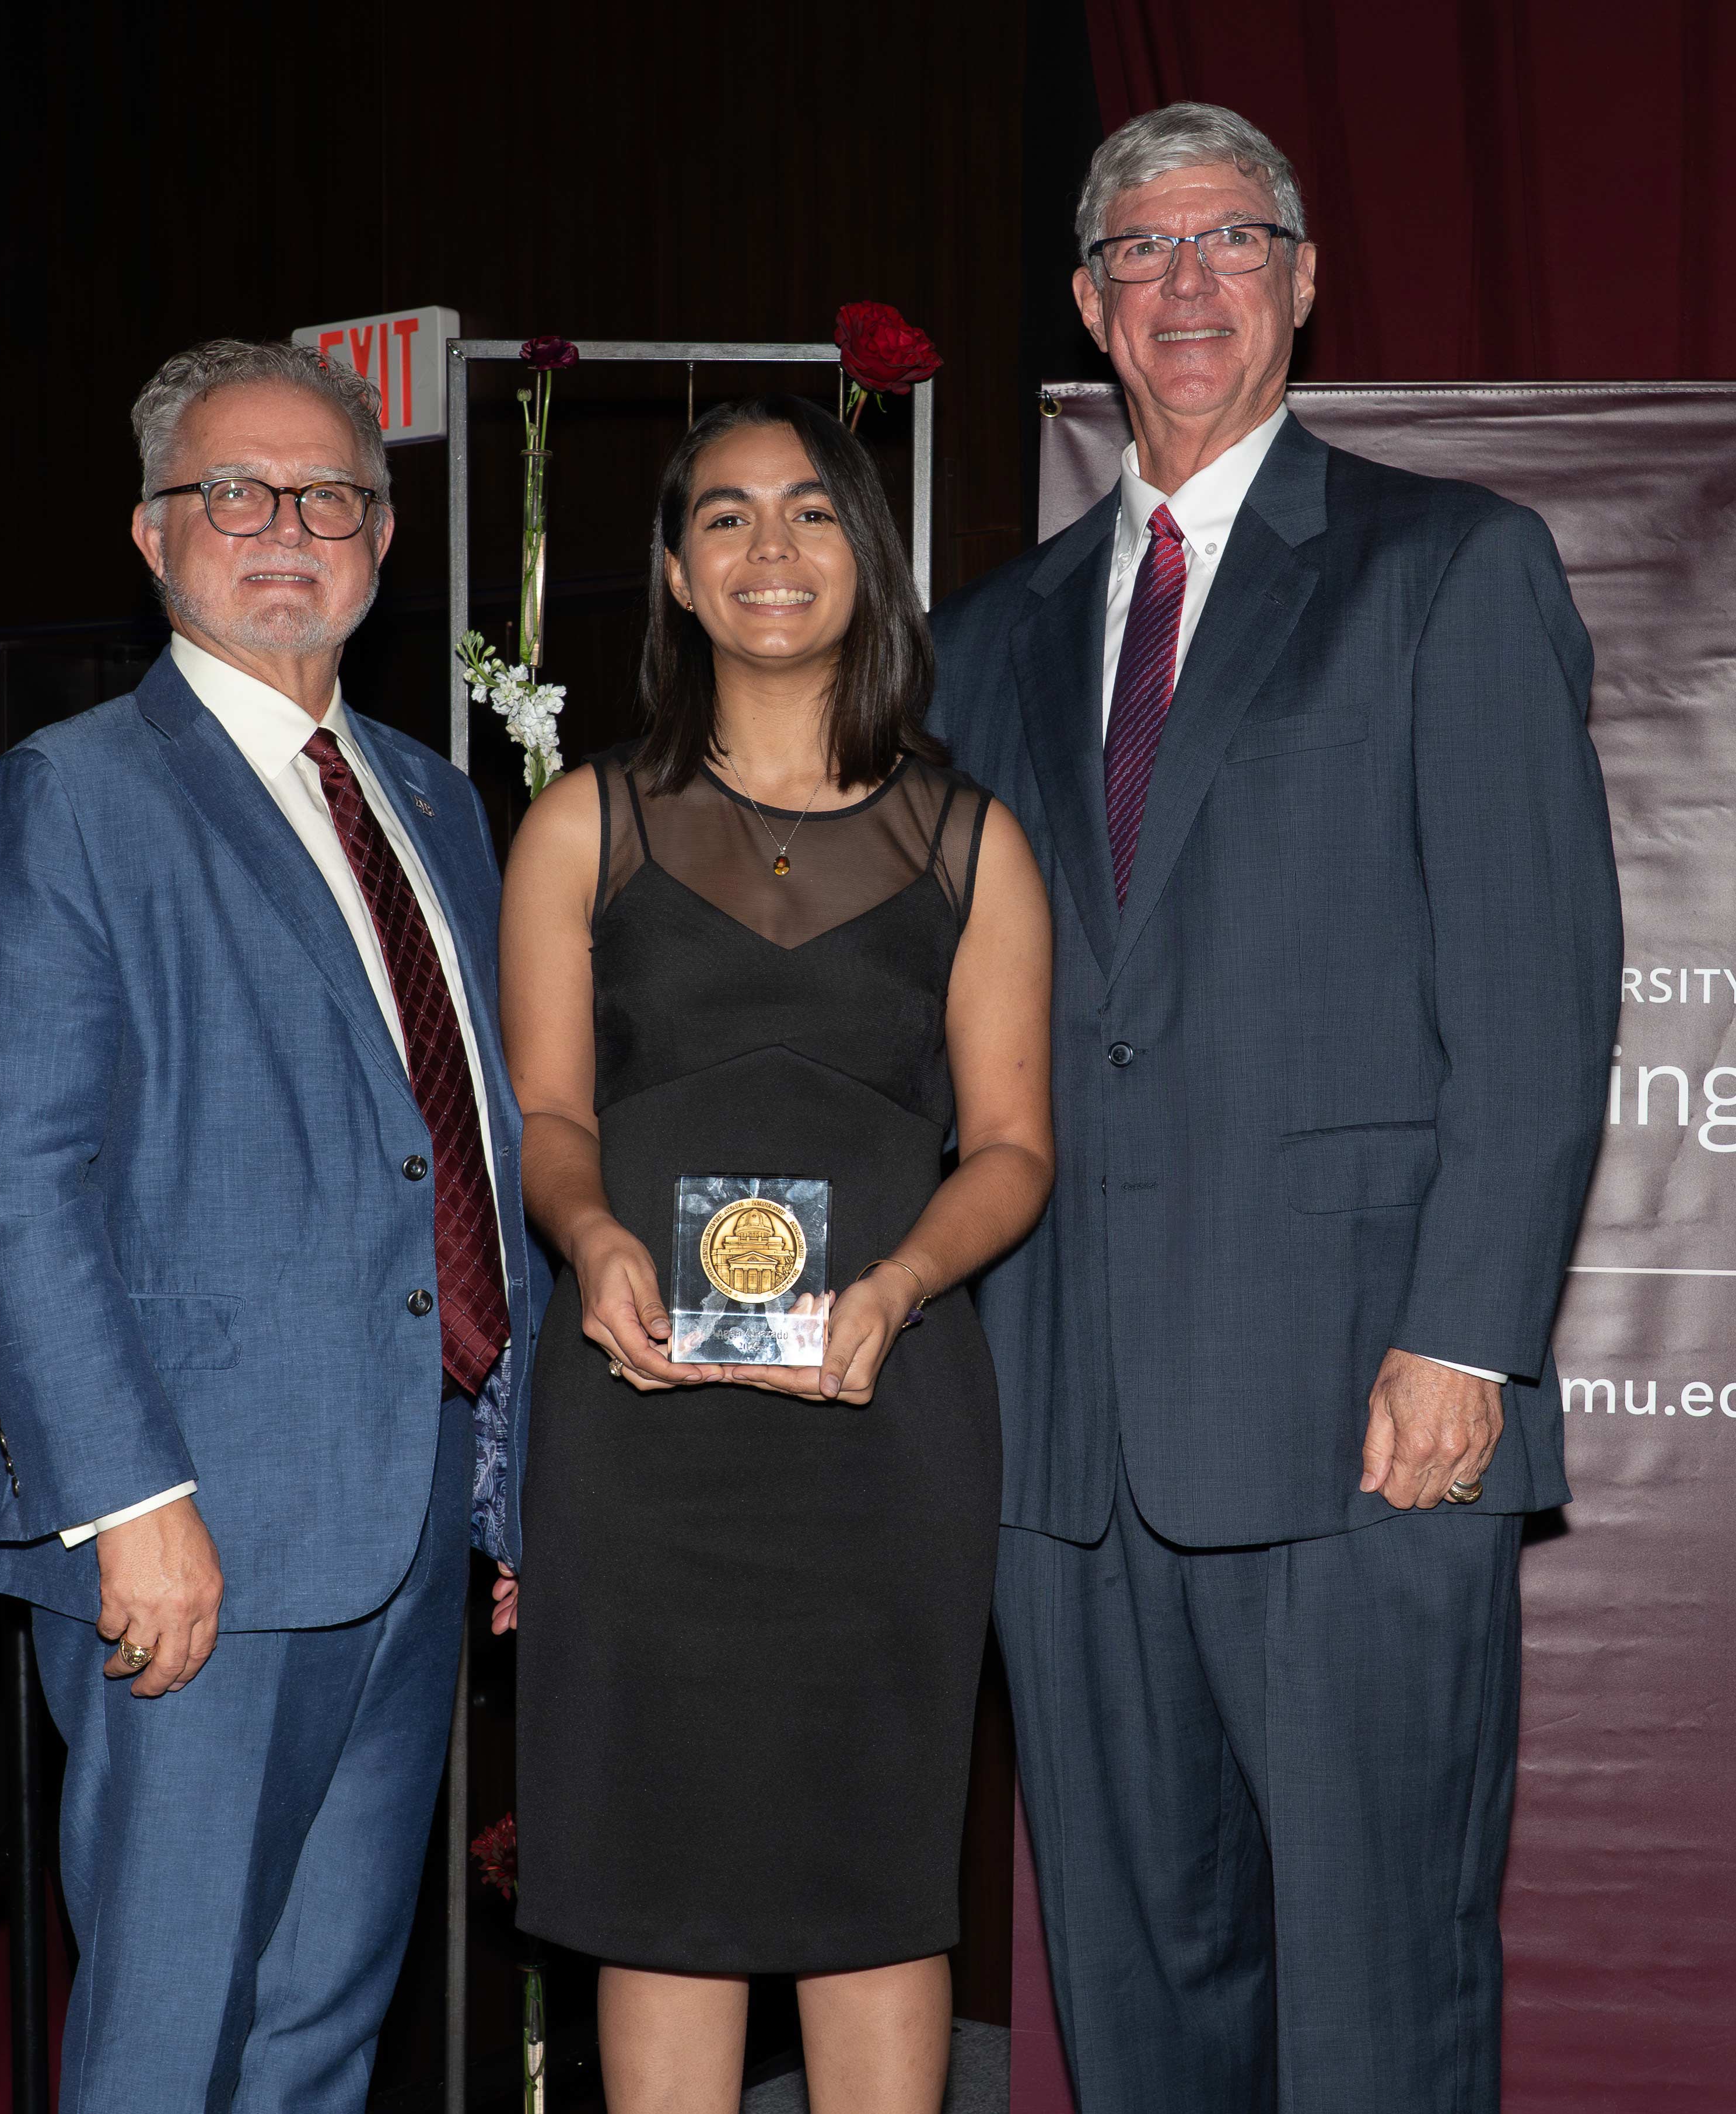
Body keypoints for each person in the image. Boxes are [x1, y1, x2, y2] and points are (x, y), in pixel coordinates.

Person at [928, 103, 1622, 2111]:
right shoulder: (986, 640)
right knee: (1138, 2002)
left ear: (1306, 283)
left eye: (1233, 241)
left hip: (1364, 1421)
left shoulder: (1450, 567)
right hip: (1059, 1442)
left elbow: (1532, 998)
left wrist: (1468, 1334)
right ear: (1088, 305)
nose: (1187, 284)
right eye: (1139, 253)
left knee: (1384, 1994)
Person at [0, 338, 544, 2114]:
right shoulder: (74, 797)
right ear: (152, 534)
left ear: (380, 539)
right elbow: (13, 1185)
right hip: (189, 1538)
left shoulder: (436, 802)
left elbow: (477, 1153)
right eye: (235, 492)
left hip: (410, 1514)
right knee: (167, 2042)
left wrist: (509, 1471)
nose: (286, 528)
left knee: (314, 2036)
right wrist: (129, 1505)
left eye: (331, 497)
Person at [500, 396, 1054, 2114]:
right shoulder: (584, 825)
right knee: (660, 1882)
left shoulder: (975, 841)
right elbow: (549, 1123)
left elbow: (1018, 1148)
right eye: (725, 518)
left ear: (867, 563)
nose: (770, 550)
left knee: (874, 1872)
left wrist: (897, 1284)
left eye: (812, 515)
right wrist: (588, 1241)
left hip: (880, 1421)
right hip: (641, 1416)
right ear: (674, 573)